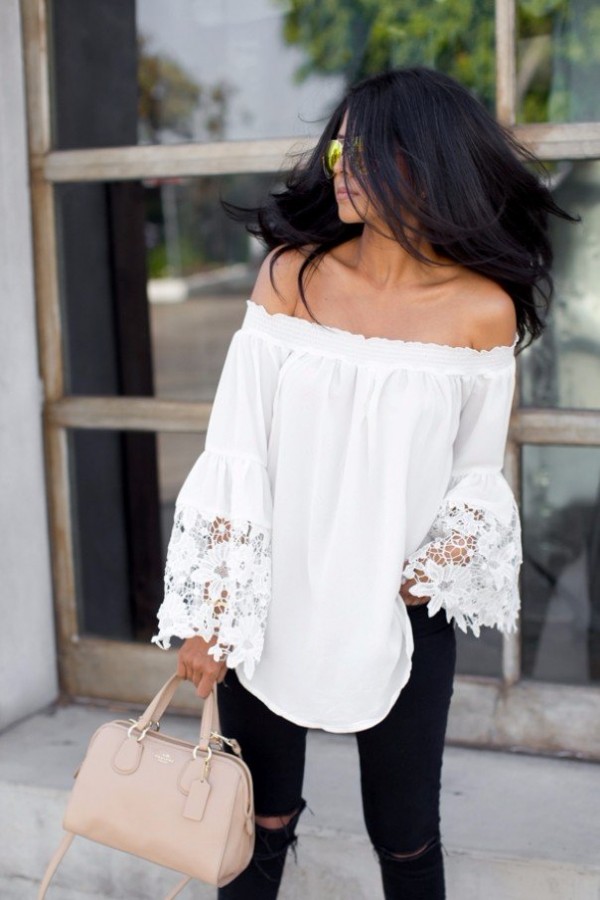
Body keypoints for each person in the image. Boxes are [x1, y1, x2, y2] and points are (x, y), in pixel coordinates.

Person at [152, 67, 575, 899]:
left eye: (363, 150)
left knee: (408, 838)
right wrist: (213, 616)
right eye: (336, 149)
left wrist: (418, 581)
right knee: (258, 822)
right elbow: (236, 450)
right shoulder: (291, 277)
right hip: (269, 607)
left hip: (398, 616)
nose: (340, 167)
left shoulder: (482, 311)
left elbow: (475, 475)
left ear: (424, 160)